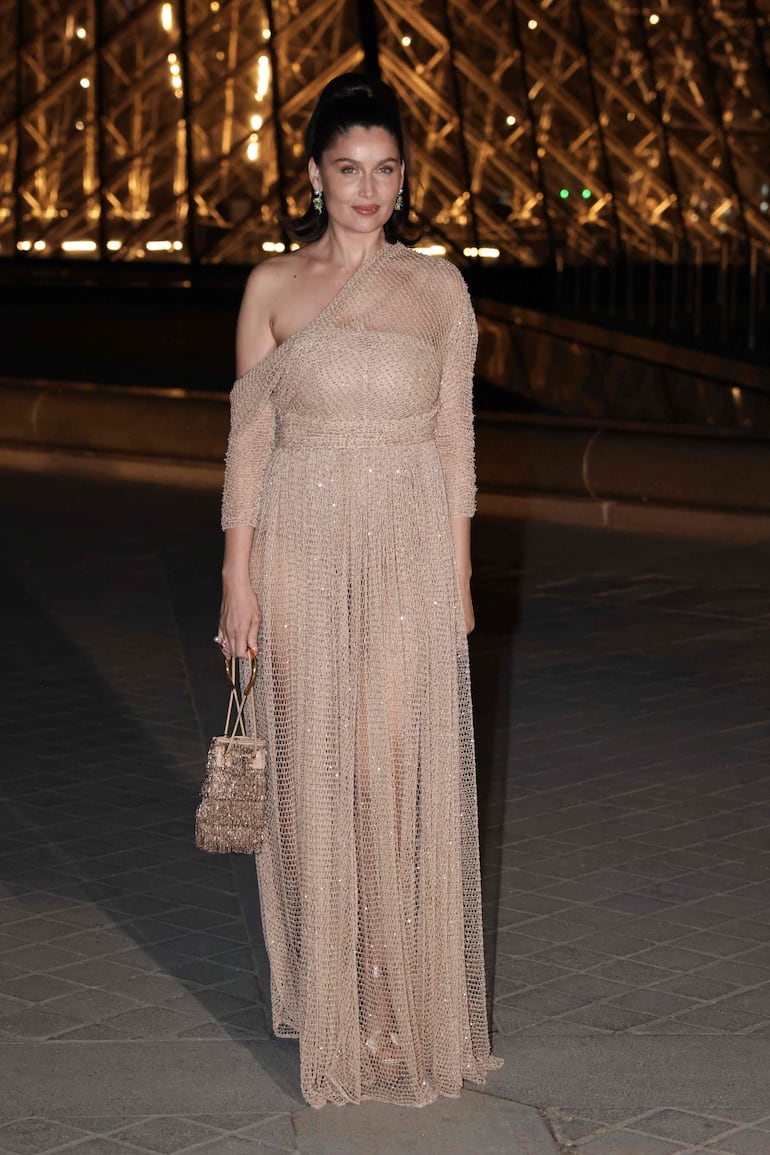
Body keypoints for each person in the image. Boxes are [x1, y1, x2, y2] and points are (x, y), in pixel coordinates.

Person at [216, 72, 500, 1108]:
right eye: (348, 169)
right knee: (315, 776)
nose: (367, 189)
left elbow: (454, 444)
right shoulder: (270, 288)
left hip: (405, 558)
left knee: (387, 769)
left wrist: (458, 580)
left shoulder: (437, 290)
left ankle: (387, 1007)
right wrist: (235, 584)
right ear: (313, 175)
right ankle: (334, 996)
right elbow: (247, 446)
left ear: (403, 178)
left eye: (385, 170)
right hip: (298, 546)